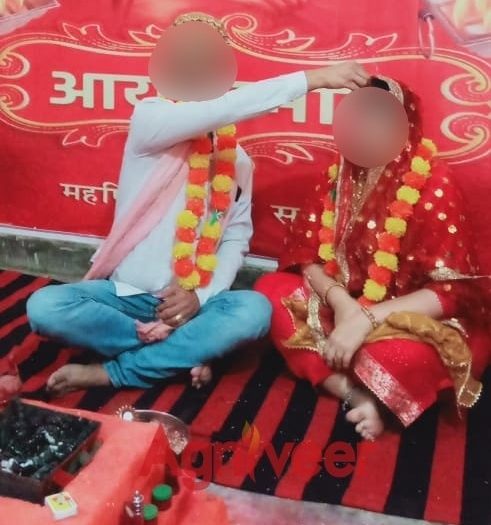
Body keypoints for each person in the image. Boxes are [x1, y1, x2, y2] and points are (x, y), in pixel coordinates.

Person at [25, 12, 370, 395]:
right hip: (125, 297)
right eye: (183, 58)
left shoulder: (237, 161)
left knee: (253, 313)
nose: (193, 69)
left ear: (221, 70)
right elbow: (220, 110)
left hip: (195, 304)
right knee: (46, 307)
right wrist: (313, 79)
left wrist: (198, 297)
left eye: (204, 60)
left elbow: (235, 238)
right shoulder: (150, 119)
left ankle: (115, 372)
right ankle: (184, 351)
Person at [255, 76, 490, 441]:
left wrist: (365, 320)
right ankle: (353, 392)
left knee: (403, 358)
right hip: (341, 305)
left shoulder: (433, 183)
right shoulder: (338, 176)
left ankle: (355, 375)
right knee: (269, 292)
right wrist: (343, 306)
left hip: (410, 318)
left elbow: (450, 294)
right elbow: (306, 258)